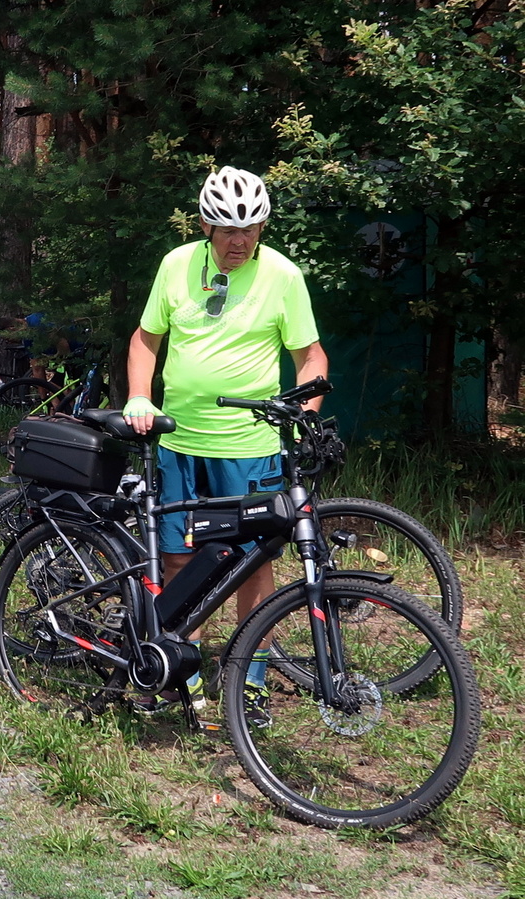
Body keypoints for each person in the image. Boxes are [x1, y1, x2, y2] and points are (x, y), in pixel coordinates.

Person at [123, 165, 329, 725]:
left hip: (250, 444)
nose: (240, 241)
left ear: (262, 225)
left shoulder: (283, 275)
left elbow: (311, 358)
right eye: (227, 229)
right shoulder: (176, 265)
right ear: (206, 225)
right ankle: (185, 675)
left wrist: (304, 417)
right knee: (181, 559)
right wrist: (140, 395)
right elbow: (146, 339)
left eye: (251, 228)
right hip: (179, 440)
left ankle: (251, 681)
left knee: (252, 564)